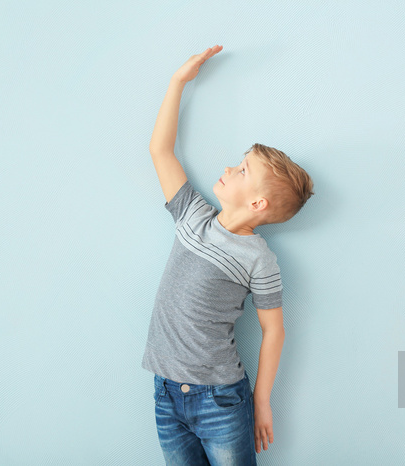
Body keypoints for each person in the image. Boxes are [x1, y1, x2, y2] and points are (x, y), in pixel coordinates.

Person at [141, 45, 314, 465]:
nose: (229, 168)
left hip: (219, 400)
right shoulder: (192, 214)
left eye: (242, 171)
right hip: (165, 393)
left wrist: (261, 402)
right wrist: (177, 82)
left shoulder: (259, 259)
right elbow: (161, 152)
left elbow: (274, 331)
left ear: (257, 205)